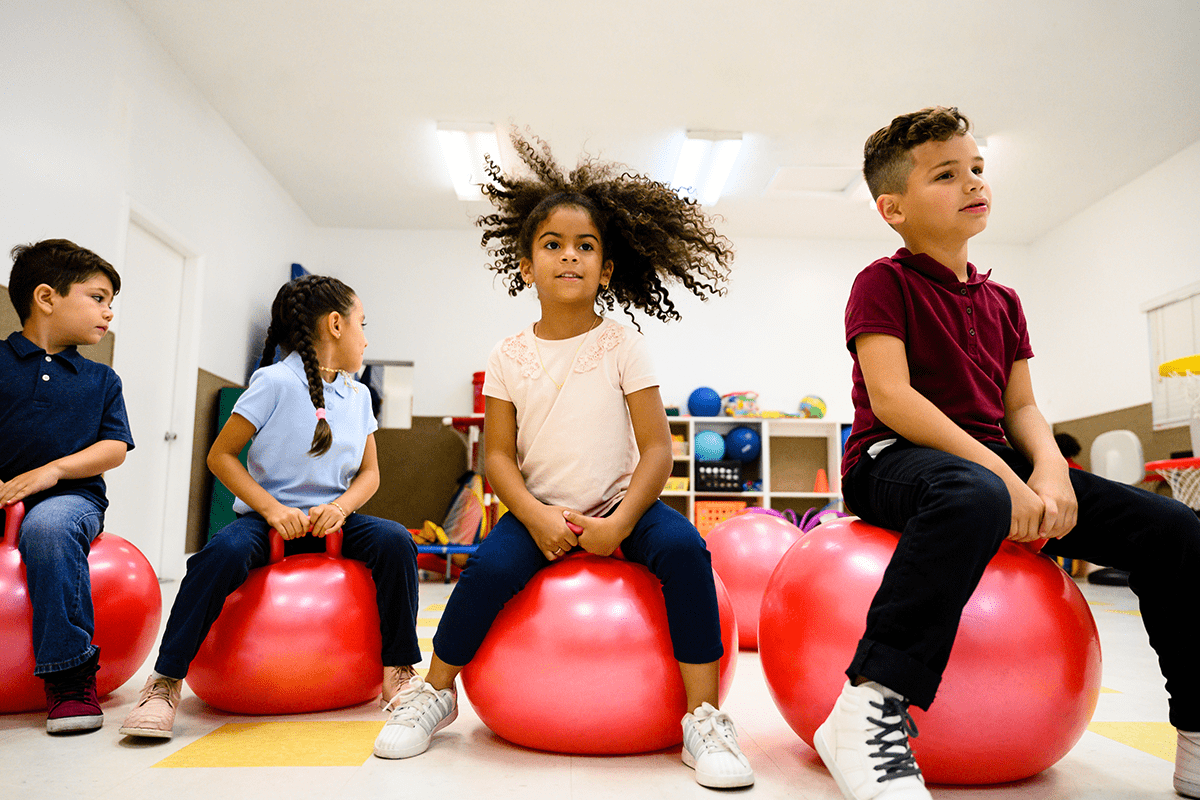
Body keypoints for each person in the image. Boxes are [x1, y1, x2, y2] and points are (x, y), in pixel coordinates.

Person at [826, 106, 1200, 800]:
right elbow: (895, 398)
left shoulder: (1003, 299)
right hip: (891, 459)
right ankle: (869, 708)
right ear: (892, 208)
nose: (973, 183)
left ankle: (1198, 734)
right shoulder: (882, 283)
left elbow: (1021, 405)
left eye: (976, 168)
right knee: (975, 493)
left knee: (1175, 529)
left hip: (994, 465)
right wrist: (1003, 476)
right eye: (946, 174)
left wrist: (1053, 468)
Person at [372, 132, 754, 789]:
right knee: (486, 572)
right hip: (537, 511)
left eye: (585, 247)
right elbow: (497, 454)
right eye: (553, 244)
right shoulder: (508, 355)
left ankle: (704, 716)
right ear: (527, 264)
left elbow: (658, 448)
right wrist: (536, 516)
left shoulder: (623, 346)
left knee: (690, 556)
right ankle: (435, 693)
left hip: (621, 507)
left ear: (606, 269)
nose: (569, 256)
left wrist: (620, 522)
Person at [119, 274, 420, 740]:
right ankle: (164, 682)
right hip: (266, 522)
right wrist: (273, 510)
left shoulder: (358, 396)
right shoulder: (275, 381)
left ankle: (399, 671)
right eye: (364, 323)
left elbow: (370, 474)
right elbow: (220, 455)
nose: (367, 336)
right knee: (217, 556)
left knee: (396, 540)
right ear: (336, 324)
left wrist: (341, 509)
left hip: (333, 521)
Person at [1, 239, 134, 733]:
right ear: (46, 297)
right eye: (98, 298)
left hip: (67, 499)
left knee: (50, 530)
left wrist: (54, 471)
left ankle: (70, 678)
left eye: (111, 302)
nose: (109, 312)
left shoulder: (101, 379)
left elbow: (114, 447)